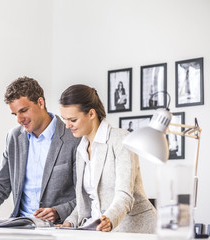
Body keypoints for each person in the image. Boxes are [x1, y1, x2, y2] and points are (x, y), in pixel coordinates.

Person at [0, 77, 80, 224]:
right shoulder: (14, 138)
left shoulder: (73, 138)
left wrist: (58, 211)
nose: (19, 119)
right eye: (15, 114)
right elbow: (0, 187)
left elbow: (85, 195)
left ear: (40, 103)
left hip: (59, 227)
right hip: (20, 225)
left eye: (23, 111)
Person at [58, 84, 156, 233]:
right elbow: (86, 201)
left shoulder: (121, 139)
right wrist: (70, 223)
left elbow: (124, 195)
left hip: (133, 230)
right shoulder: (81, 149)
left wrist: (109, 219)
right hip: (97, 231)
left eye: (72, 120)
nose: (67, 126)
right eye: (64, 119)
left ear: (91, 114)